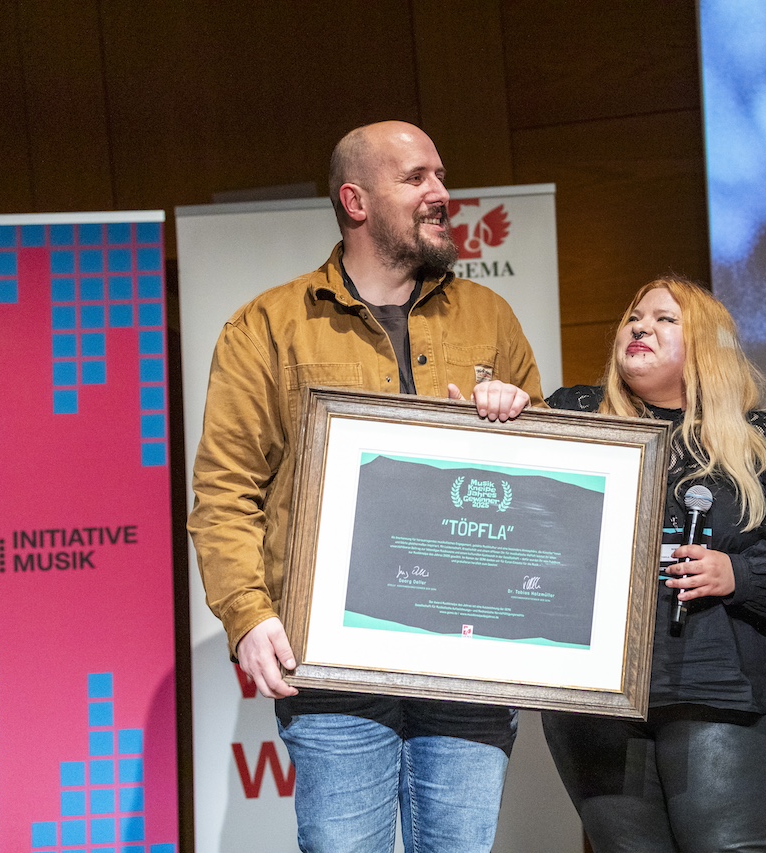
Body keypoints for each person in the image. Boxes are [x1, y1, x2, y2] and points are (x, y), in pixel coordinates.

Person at [187, 120, 543, 853]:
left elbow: (543, 492)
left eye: (440, 175)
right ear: (356, 201)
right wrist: (248, 614)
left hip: (469, 657)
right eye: (416, 179)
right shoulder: (268, 327)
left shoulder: (490, 318)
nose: (441, 193)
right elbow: (225, 492)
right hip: (333, 663)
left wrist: (522, 419)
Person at [541, 275, 766, 853]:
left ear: (703, 345)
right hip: (594, 692)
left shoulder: (756, 440)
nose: (640, 328)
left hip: (712, 688)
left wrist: (738, 574)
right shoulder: (573, 413)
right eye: (634, 318)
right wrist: (501, 409)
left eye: (664, 320)